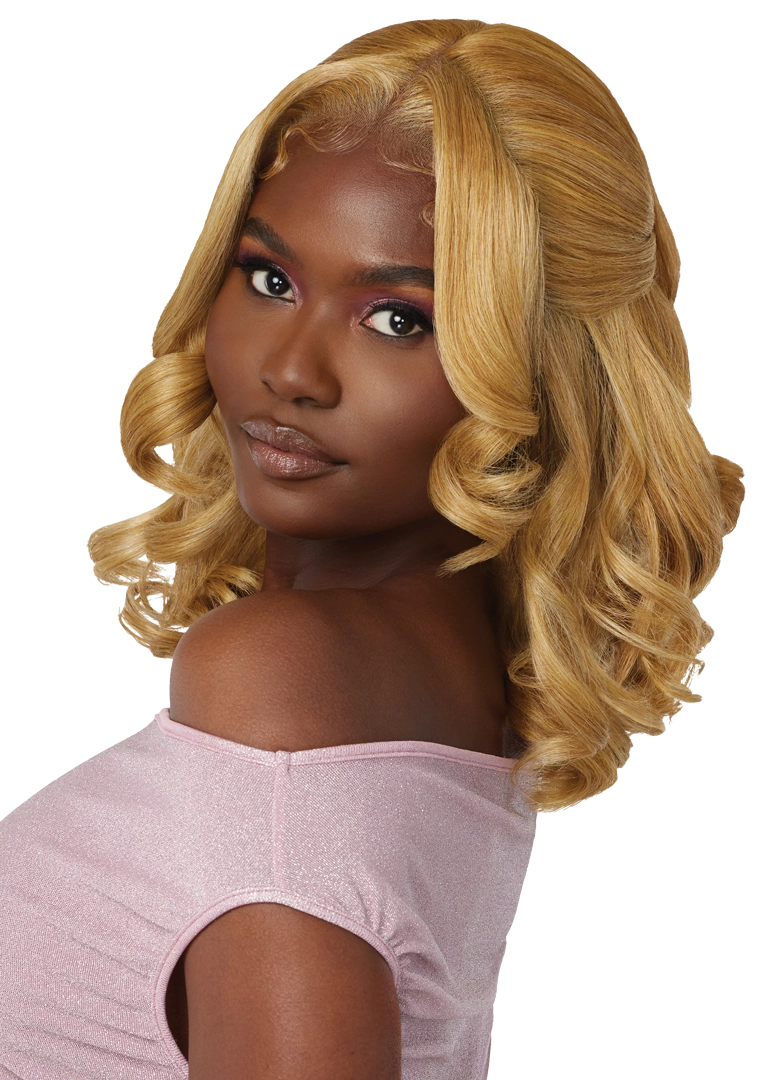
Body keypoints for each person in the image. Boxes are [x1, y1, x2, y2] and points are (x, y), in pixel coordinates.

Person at [0, 19, 745, 1080]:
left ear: (539, 368)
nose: (291, 371)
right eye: (269, 279)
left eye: (397, 319)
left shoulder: (283, 674)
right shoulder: (443, 685)